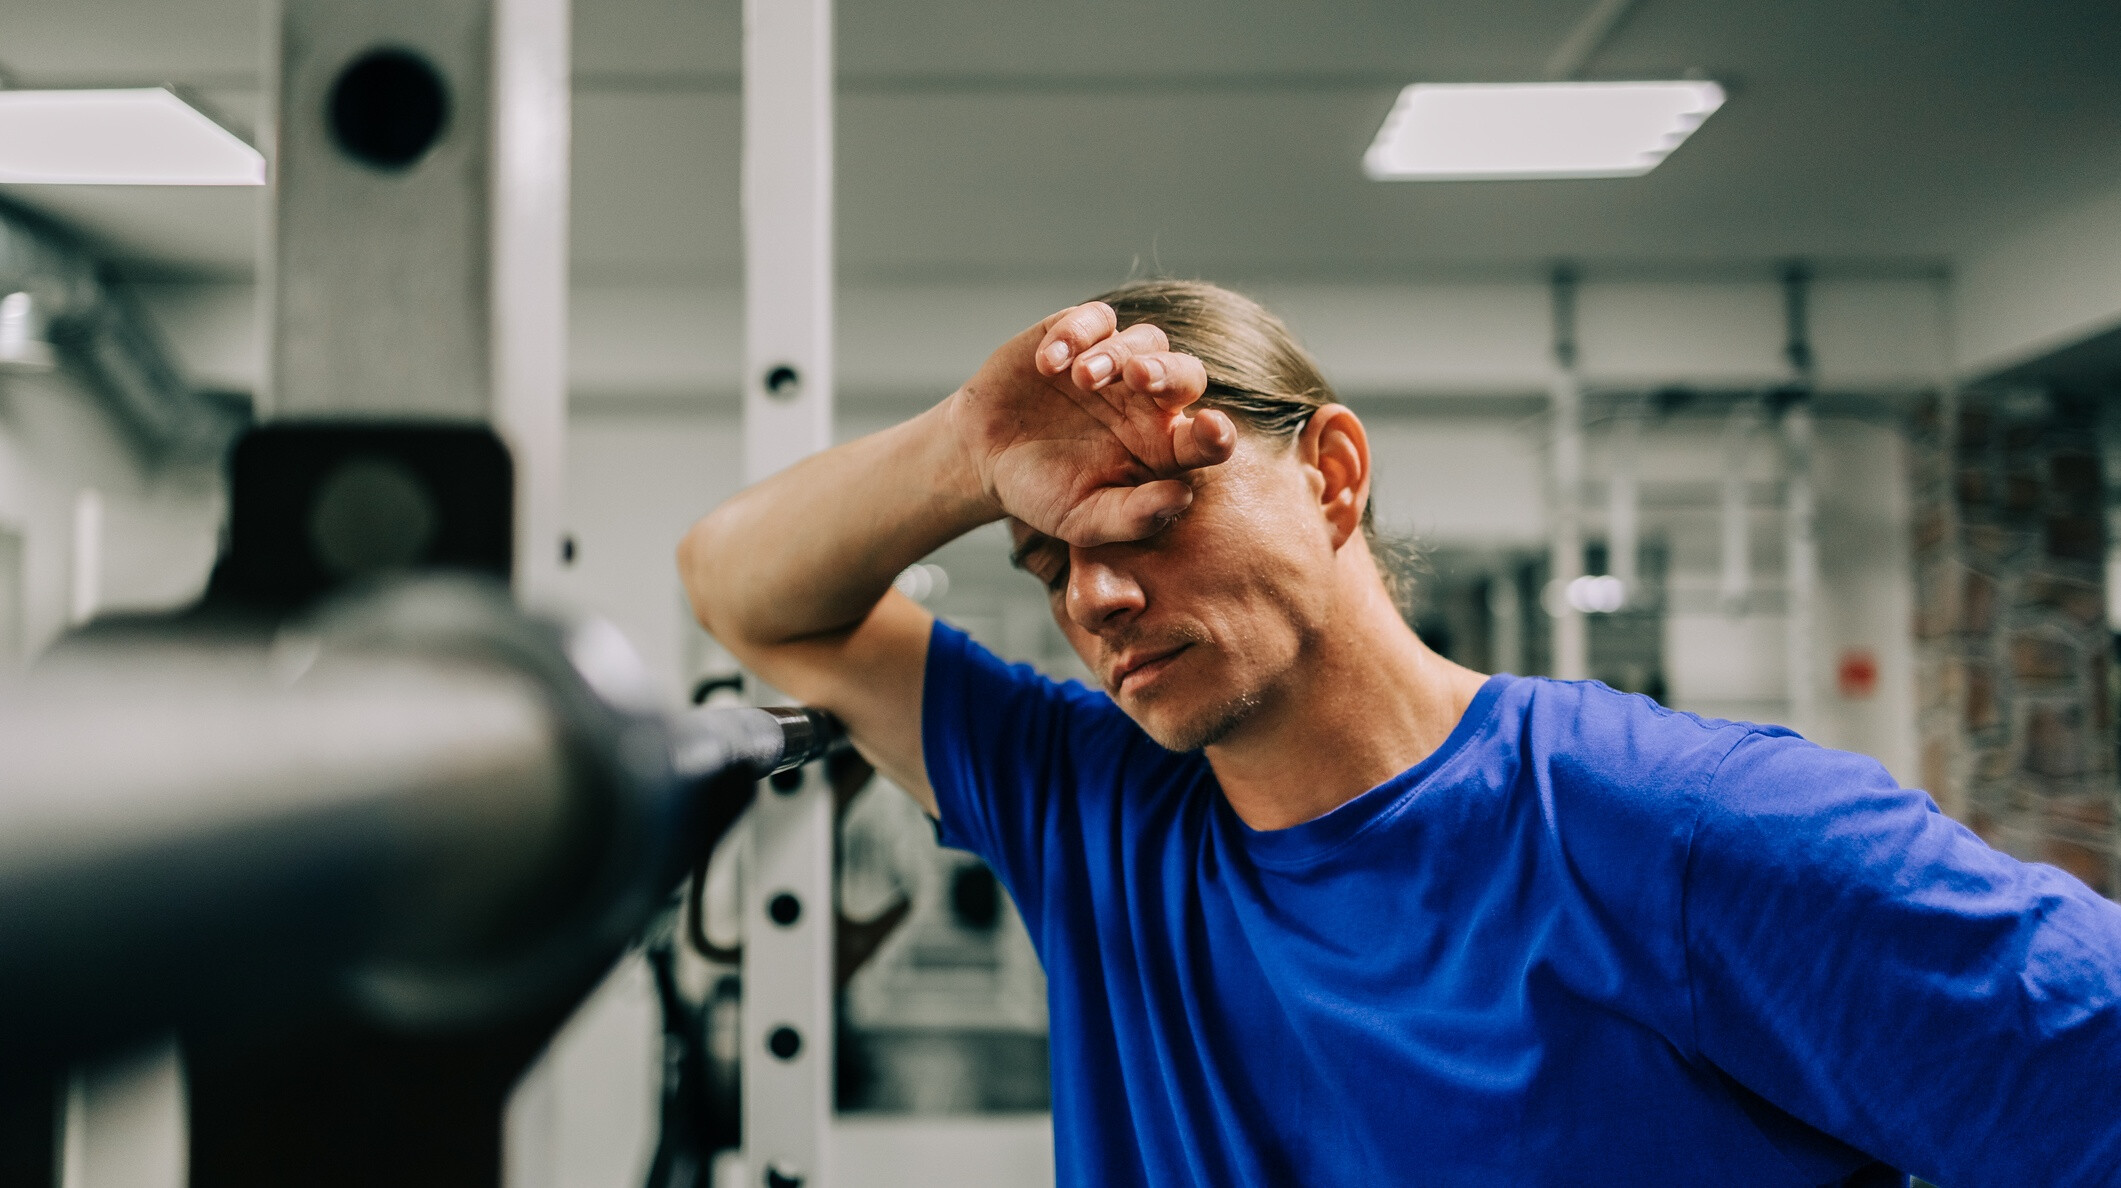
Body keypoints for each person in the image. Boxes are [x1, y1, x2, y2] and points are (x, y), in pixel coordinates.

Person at [678, 279, 2121, 1187]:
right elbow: (742, 588)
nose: (1099, 594)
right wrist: (962, 455)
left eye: (1149, 513)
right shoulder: (1091, 814)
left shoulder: (1684, 829)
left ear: (1333, 476)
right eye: (1050, 560)